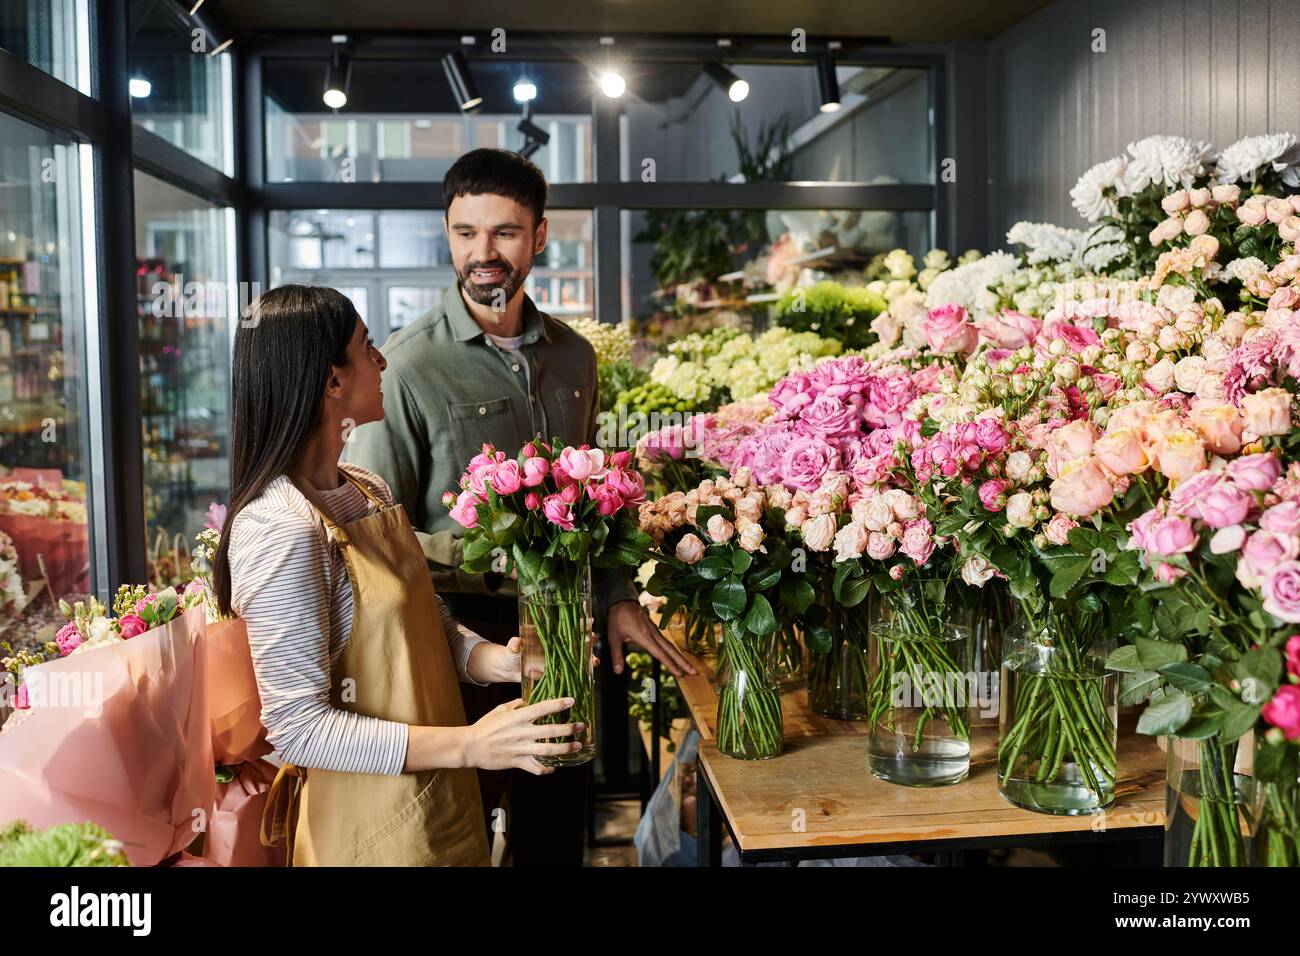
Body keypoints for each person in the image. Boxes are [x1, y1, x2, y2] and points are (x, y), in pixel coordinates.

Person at [348, 148, 695, 866]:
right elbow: (382, 538)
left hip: (568, 634)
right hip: (467, 644)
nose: (483, 253)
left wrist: (618, 599)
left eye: (504, 232)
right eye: (465, 232)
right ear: (447, 233)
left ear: (539, 236)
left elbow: (597, 504)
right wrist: (506, 552)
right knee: (471, 837)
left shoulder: (574, 357)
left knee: (555, 828)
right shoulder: (409, 364)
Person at [211, 284, 579, 866]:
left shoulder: (367, 491)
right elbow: (297, 726)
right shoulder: (280, 527)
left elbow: (426, 625)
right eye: (367, 346)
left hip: (439, 802)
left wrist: (498, 661)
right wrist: (470, 745)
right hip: (367, 829)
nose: (383, 360)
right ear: (332, 380)